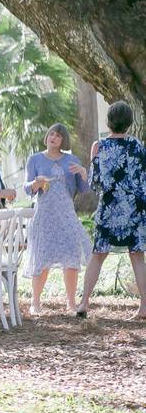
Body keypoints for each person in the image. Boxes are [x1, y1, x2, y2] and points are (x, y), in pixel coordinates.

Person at [76, 101, 146, 319]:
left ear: (108, 121)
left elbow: (95, 183)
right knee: (137, 257)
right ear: (129, 123)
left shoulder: (99, 146)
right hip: (134, 208)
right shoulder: (137, 146)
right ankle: (144, 307)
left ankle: (83, 303)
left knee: (98, 255)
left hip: (109, 208)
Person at [22, 124, 93, 315]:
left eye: (58, 136)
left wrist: (84, 173)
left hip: (67, 213)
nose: (53, 137)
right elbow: (27, 188)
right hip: (44, 214)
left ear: (64, 140)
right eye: (51, 134)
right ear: (47, 137)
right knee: (42, 256)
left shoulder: (72, 160)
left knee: (71, 255)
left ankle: (71, 303)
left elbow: (84, 189)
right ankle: (35, 302)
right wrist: (36, 183)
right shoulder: (35, 159)